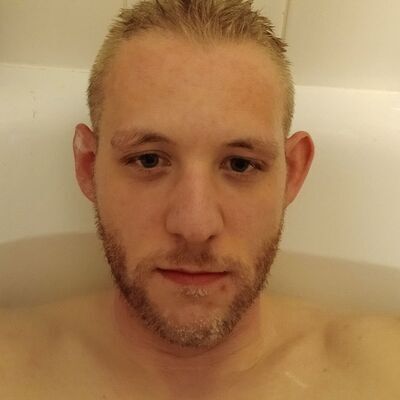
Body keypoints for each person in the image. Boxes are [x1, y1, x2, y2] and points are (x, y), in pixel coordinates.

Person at [1, 0, 399, 398]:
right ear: (88, 166)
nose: (195, 226)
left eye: (241, 164)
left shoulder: (384, 369)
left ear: (292, 173)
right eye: (149, 160)